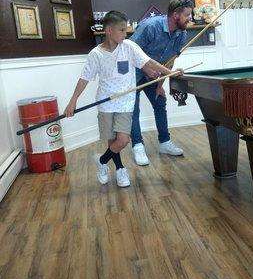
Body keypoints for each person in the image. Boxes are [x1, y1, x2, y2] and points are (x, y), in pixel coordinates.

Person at [64, 11, 175, 188]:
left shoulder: (129, 47)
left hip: (125, 103)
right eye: (122, 30)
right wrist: (73, 101)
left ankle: (101, 160)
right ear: (109, 30)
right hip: (105, 103)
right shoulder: (96, 54)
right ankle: (120, 169)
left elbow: (149, 62)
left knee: (123, 140)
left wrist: (170, 72)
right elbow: (84, 78)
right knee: (112, 141)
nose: (126, 34)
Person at [130, 0, 193, 166]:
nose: (190, 19)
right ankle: (138, 146)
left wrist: (160, 86)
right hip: (132, 72)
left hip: (154, 75)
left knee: (160, 102)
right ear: (175, 15)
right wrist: (146, 69)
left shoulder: (182, 33)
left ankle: (164, 143)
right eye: (187, 15)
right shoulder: (150, 26)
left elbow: (170, 60)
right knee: (133, 110)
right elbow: (130, 52)